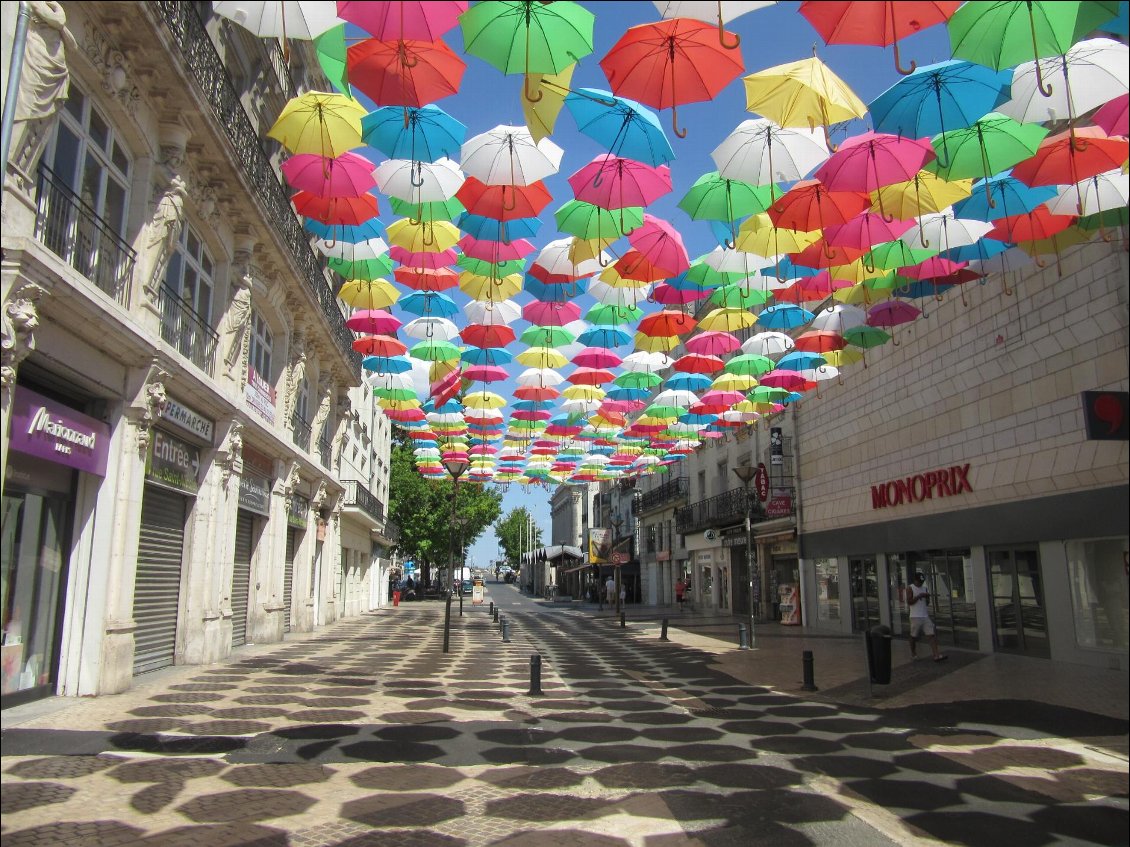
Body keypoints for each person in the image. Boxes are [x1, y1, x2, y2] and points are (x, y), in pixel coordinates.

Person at [906, 572, 947, 662]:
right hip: (915, 616)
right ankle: (913, 653)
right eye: (919, 582)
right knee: (913, 636)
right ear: (915, 580)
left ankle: (936, 655)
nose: (920, 584)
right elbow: (909, 602)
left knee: (931, 635)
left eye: (922, 582)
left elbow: (927, 603)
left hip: (925, 615)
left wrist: (927, 598)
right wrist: (919, 596)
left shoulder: (924, 588)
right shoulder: (910, 588)